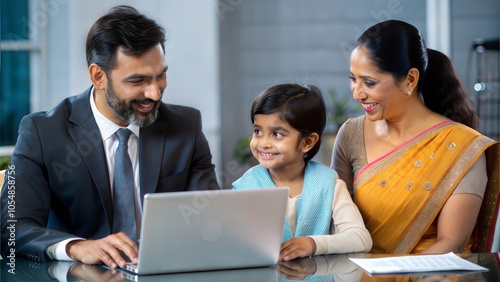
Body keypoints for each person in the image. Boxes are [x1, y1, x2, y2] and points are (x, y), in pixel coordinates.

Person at [0, 5, 220, 269]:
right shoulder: (42, 132)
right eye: (138, 81)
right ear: (98, 77)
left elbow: (210, 218)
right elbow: (11, 230)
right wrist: (77, 246)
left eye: (160, 76)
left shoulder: (186, 126)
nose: (155, 93)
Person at [331, 20, 500, 254]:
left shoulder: (462, 147)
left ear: (410, 79)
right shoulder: (351, 134)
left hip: (434, 274)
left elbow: (452, 242)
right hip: (357, 272)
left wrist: (393, 274)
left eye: (369, 82)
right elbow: (335, 224)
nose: (357, 93)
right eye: (353, 79)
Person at [233, 83, 372, 261]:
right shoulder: (244, 188)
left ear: (307, 142)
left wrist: (313, 244)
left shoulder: (329, 184)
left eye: (277, 134)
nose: (263, 143)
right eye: (258, 131)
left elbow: (360, 238)